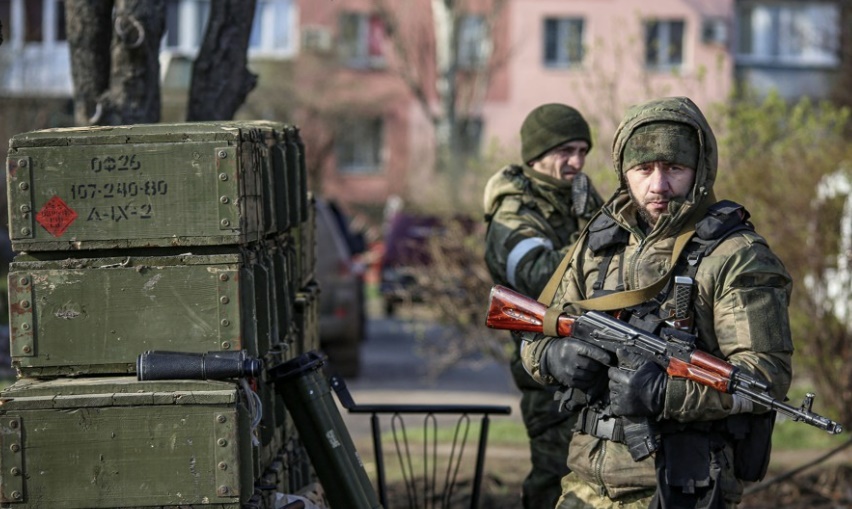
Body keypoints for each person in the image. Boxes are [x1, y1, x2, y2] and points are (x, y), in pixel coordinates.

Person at [521, 96, 793, 508]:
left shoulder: (736, 255)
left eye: (674, 168)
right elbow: (533, 334)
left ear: (699, 170)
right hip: (583, 486)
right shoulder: (599, 245)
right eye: (644, 169)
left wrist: (665, 393)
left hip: (679, 487)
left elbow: (764, 380)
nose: (659, 185)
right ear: (624, 172)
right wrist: (553, 356)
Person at [483, 103, 604, 509]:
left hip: (592, 360)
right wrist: (597, 242)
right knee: (555, 475)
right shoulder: (514, 211)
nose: (576, 162)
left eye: (583, 152)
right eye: (566, 151)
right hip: (546, 366)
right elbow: (537, 276)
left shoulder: (576, 198)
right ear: (537, 155)